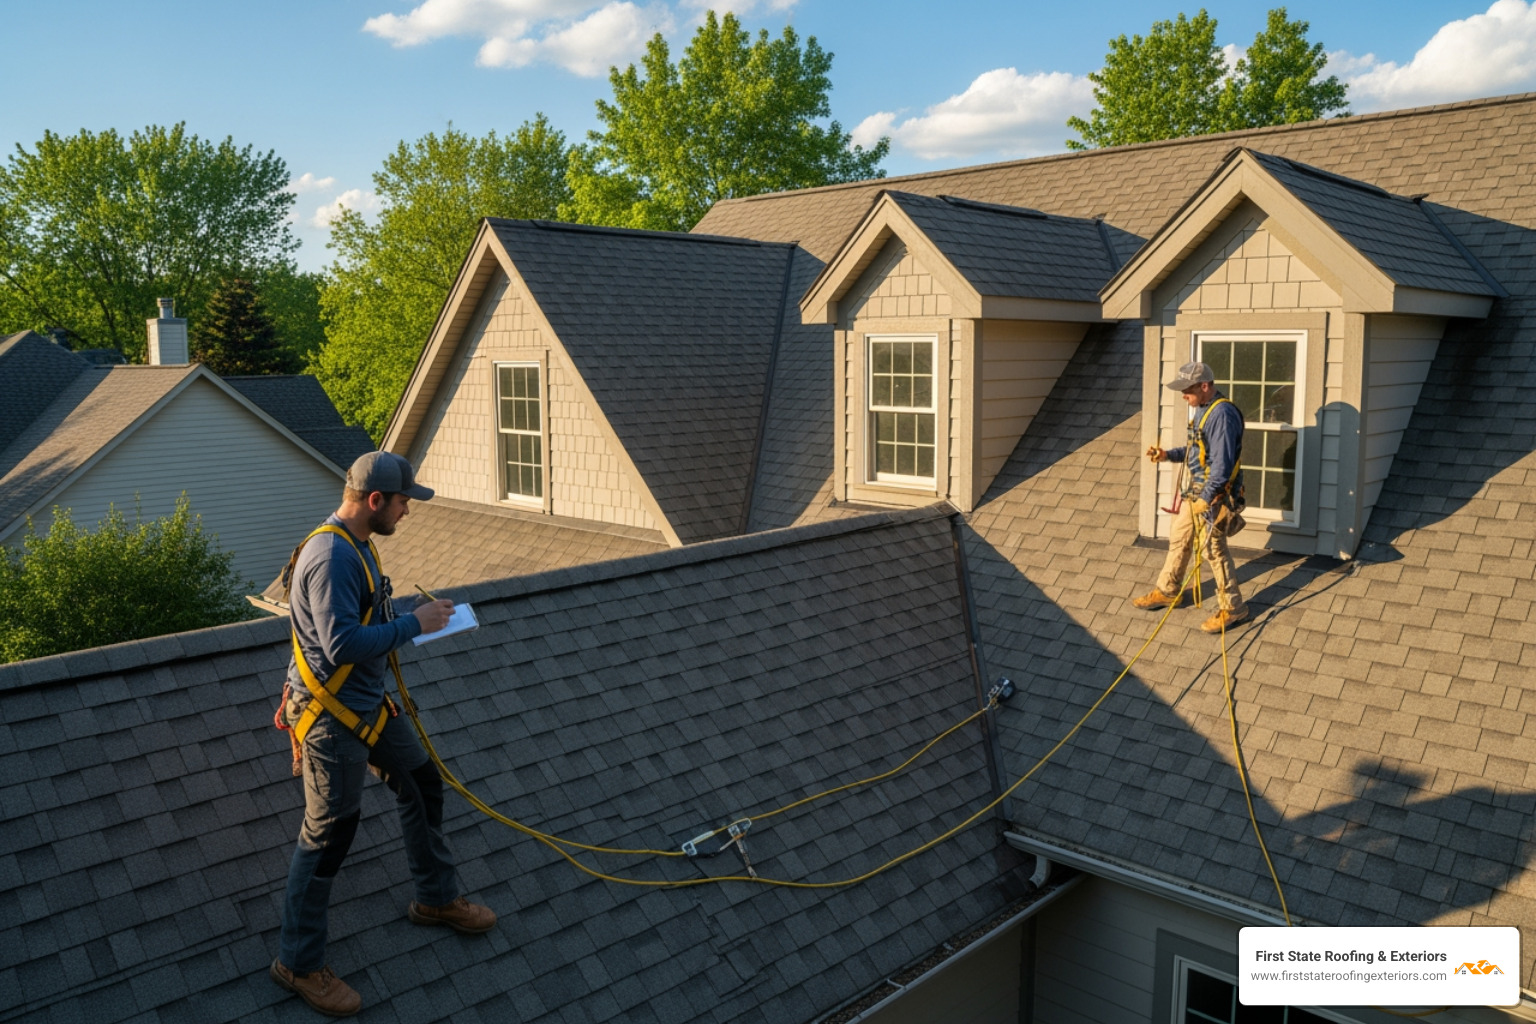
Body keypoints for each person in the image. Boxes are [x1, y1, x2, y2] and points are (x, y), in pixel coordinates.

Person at [270, 451, 496, 1017]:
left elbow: (366, 618)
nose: (407, 511)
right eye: (402, 502)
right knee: (329, 834)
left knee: (423, 783)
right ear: (375, 501)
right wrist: (410, 626)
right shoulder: (331, 557)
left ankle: (436, 898)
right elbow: (341, 644)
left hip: (366, 705)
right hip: (330, 718)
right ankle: (297, 963)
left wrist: (414, 615)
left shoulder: (359, 545)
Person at [1133, 362, 1249, 633]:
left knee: (1213, 550)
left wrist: (1206, 499)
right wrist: (1167, 455)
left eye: (1187, 389)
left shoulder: (1222, 414)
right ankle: (1168, 590)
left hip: (1213, 496)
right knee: (1180, 536)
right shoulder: (1202, 410)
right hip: (1196, 492)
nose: (1183, 395)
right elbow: (1195, 449)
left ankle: (1234, 608)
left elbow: (1222, 464)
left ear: (1204, 386)